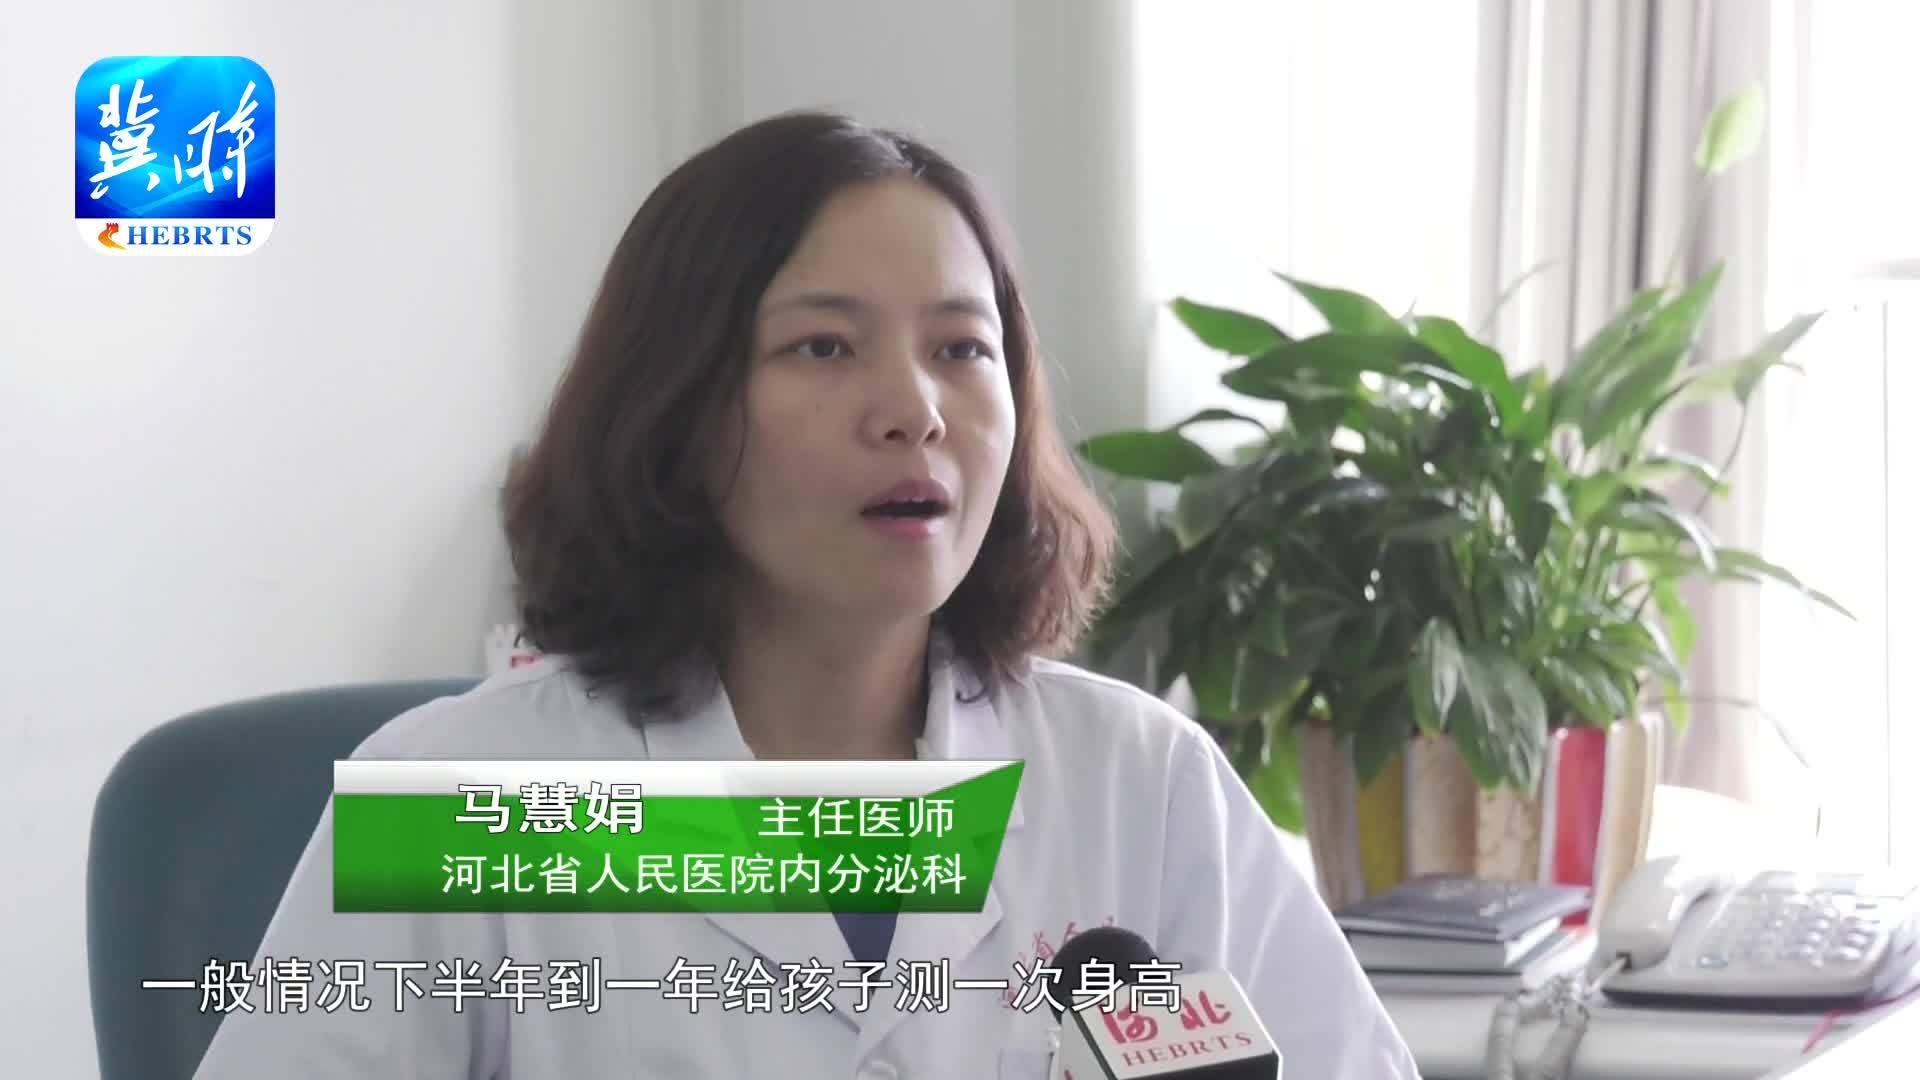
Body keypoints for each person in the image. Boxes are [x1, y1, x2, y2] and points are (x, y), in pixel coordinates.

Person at [194, 110, 1419, 1079]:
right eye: (823, 347)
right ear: (675, 405)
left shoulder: (1141, 782)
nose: (915, 410)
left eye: (962, 348)